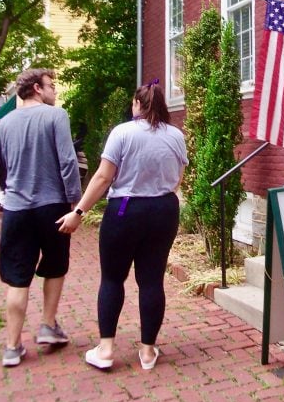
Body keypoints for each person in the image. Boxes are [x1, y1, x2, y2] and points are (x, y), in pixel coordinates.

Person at [57, 80, 187, 371]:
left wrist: (78, 212)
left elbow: (103, 177)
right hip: (164, 209)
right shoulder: (176, 135)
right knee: (152, 280)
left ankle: (105, 350)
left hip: (125, 211)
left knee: (113, 279)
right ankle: (148, 351)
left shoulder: (122, 133)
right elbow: (178, 176)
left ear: (137, 105)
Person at [0, 68, 81, 367]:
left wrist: (10, 189)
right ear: (36, 88)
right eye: (51, 86)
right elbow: (68, 161)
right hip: (52, 206)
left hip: (16, 209)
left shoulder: (5, 123)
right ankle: (47, 324)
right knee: (55, 266)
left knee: (18, 278)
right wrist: (75, 202)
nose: (54, 91)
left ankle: (11, 346)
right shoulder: (57, 117)